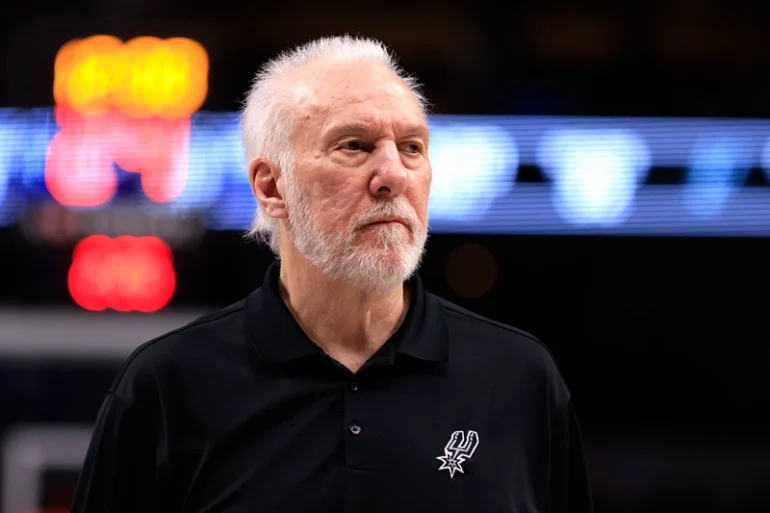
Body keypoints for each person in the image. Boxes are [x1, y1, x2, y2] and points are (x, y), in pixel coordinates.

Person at [71, 35, 594, 513]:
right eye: (355, 146)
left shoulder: (519, 378)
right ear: (271, 188)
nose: (393, 174)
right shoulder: (166, 388)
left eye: (412, 147)